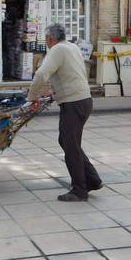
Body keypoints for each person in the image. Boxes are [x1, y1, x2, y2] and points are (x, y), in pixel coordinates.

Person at [27, 23, 102, 202]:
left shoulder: (56, 50)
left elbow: (41, 74)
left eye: (46, 39)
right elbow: (70, 74)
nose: (46, 42)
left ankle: (79, 190)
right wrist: (54, 92)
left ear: (50, 39)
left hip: (73, 103)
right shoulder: (71, 47)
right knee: (69, 142)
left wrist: (32, 97)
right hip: (84, 100)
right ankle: (92, 179)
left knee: (71, 147)